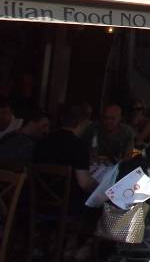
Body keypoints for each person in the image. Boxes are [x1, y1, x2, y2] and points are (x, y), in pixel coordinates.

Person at [35, 103, 96, 261]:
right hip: (66, 206)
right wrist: (98, 186)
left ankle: (52, 244)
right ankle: (72, 249)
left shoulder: (42, 141)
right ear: (80, 123)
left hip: (37, 202)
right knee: (95, 205)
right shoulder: (78, 146)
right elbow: (84, 183)